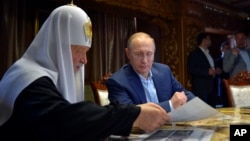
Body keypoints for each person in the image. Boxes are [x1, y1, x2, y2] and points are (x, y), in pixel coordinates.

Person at [0, 5, 171, 140]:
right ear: (57, 48)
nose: (84, 60)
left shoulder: (45, 76)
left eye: (86, 52)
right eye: (78, 51)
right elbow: (65, 120)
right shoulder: (26, 77)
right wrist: (133, 115)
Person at [106, 32, 195, 113]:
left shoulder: (164, 71)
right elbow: (129, 114)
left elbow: (183, 94)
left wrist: (199, 106)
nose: (144, 60)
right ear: (128, 53)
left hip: (169, 126)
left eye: (149, 54)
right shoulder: (117, 81)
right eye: (139, 54)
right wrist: (170, 105)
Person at [187, 32, 222, 107]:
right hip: (201, 88)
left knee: (212, 108)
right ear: (204, 40)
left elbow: (210, 65)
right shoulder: (195, 54)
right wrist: (207, 72)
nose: (210, 41)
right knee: (202, 109)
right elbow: (192, 69)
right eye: (209, 39)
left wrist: (216, 69)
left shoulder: (209, 53)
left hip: (211, 86)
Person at [214, 41, 231, 107]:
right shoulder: (217, 62)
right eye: (227, 49)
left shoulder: (233, 60)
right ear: (222, 50)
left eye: (230, 49)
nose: (229, 51)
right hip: (221, 86)